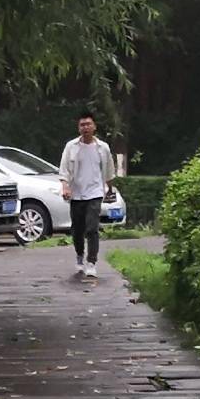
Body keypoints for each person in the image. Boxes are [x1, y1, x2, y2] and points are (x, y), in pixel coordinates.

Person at [60, 112, 114, 278]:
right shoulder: (71, 146)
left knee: (92, 228)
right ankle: (79, 256)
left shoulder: (102, 148)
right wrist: (65, 187)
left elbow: (108, 170)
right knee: (77, 230)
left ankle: (91, 262)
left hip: (95, 192)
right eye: (82, 125)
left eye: (88, 124)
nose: (85, 128)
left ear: (94, 126)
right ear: (79, 128)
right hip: (76, 193)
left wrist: (110, 189)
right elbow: (64, 170)